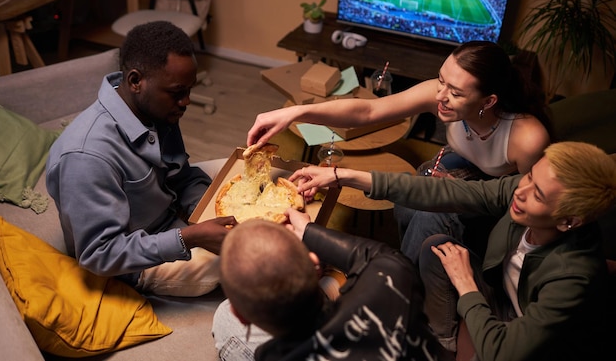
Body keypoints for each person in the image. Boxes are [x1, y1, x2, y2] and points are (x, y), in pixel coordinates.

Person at [288, 141, 616, 360]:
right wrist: (341, 175)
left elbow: (501, 353)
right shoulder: (522, 192)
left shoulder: (573, 279)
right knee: (436, 248)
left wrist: (467, 287)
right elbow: (444, 191)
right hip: (500, 297)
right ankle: (438, 346)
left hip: (521, 340)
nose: (522, 191)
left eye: (539, 194)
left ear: (568, 221)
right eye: (529, 176)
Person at [247, 41, 551, 263]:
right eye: (441, 81)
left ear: (488, 101)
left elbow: (528, 204)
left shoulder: (527, 138)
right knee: (407, 204)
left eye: (455, 93)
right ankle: (413, 260)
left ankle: (403, 285)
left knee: (428, 218)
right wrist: (296, 113)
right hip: (457, 163)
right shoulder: (442, 92)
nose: (440, 97)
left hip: (496, 193)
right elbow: (367, 111)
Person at [46, 21, 236, 297]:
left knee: (245, 180)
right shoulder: (85, 156)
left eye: (189, 90)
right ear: (136, 81)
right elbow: (99, 255)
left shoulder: (156, 109)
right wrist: (190, 237)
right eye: (177, 92)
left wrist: (202, 210)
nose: (186, 101)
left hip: (172, 219)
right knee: (248, 254)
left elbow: (181, 176)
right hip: (133, 261)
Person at [212, 212, 455, 361]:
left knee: (222, 314)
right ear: (314, 262)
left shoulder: (270, 355)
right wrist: (308, 232)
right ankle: (333, 284)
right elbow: (385, 256)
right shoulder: (393, 279)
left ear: (242, 316)